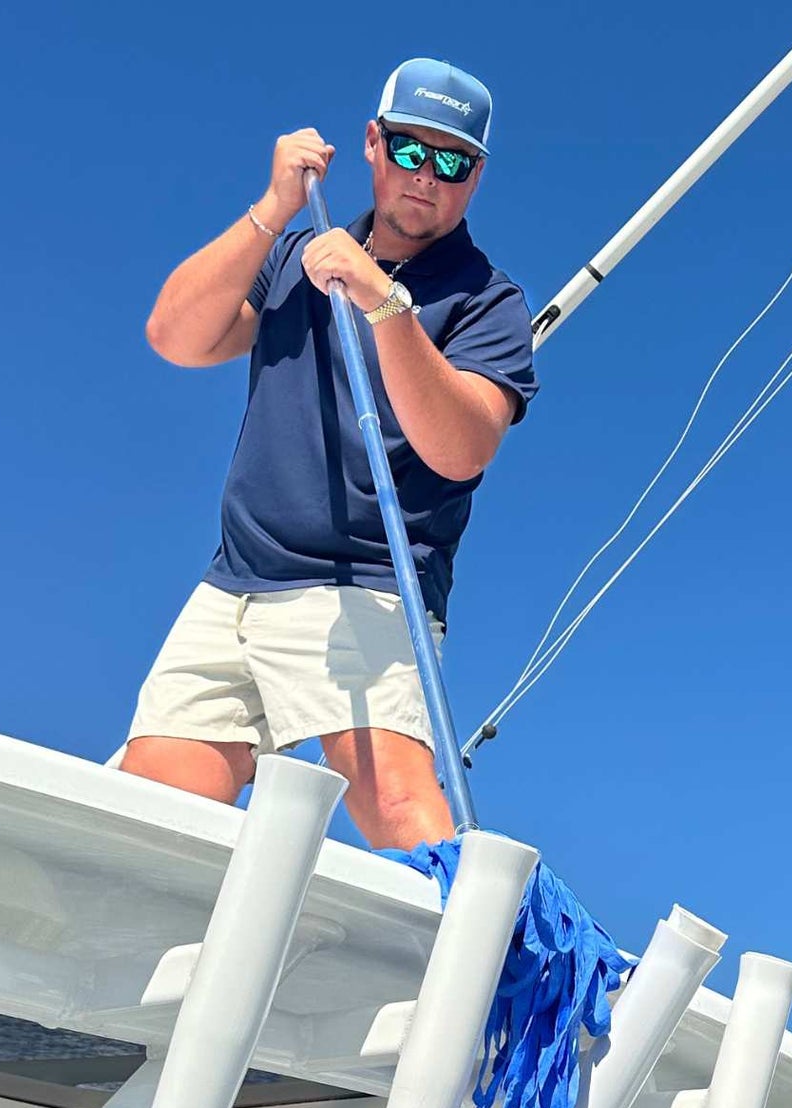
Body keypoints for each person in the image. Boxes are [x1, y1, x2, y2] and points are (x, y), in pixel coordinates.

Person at [123, 58, 536, 846]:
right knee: (156, 805)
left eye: (452, 162)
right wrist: (274, 208)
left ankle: (475, 958)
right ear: (374, 146)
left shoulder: (489, 300)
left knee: (395, 805)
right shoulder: (295, 252)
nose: (427, 177)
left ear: (475, 177)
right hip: (236, 581)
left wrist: (385, 303)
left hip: (370, 583)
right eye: (413, 150)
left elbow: (463, 448)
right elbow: (176, 337)